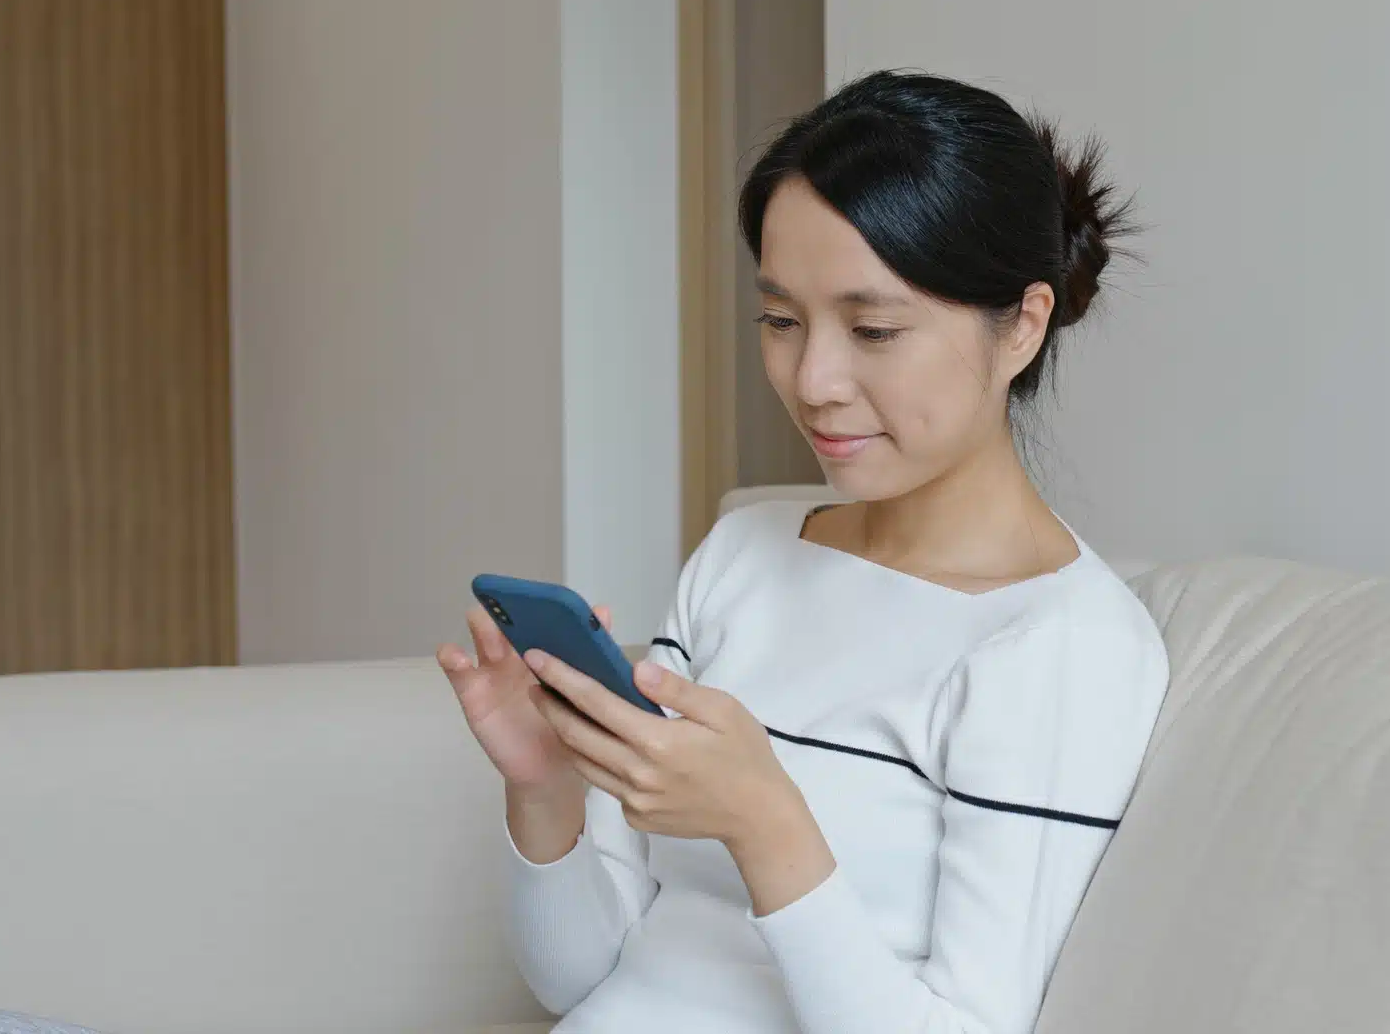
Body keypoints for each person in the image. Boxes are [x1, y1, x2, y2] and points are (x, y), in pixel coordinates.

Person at [435, 70, 1169, 1034]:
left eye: (873, 329)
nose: (813, 380)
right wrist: (544, 787)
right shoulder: (742, 556)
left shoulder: (1060, 647)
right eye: (781, 321)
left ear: (1023, 325)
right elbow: (584, 979)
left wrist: (763, 820)